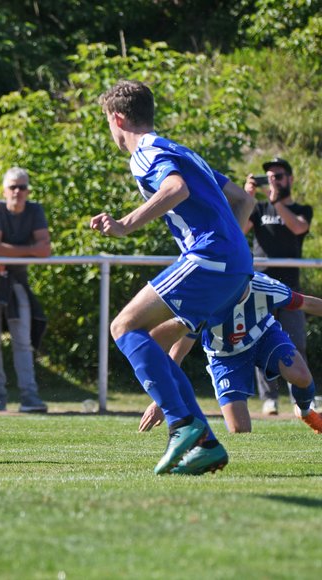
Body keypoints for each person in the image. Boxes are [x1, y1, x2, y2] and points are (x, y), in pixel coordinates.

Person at [90, 79, 255, 475]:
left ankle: (183, 423)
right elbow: (244, 199)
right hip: (234, 265)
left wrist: (126, 224)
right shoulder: (181, 150)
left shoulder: (144, 152)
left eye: (108, 122)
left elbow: (175, 189)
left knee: (124, 326)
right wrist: (231, 244)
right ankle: (204, 445)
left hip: (210, 258)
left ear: (118, 118)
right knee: (144, 335)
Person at [138, 272, 322, 434]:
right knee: (240, 430)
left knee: (301, 376)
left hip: (264, 336)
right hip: (224, 355)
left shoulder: (265, 286)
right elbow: (178, 353)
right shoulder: (206, 300)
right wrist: (162, 400)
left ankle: (305, 412)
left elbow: (306, 303)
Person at [0, 167, 51, 413]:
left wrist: (8, 253)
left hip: (18, 280)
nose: (17, 192)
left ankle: (29, 396)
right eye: (13, 187)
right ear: (4, 190)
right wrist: (29, 250)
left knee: (22, 338)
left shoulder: (35, 210)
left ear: (28, 191)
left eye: (22, 187)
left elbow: (45, 250)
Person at [243, 157, 312, 416]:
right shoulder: (258, 209)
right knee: (260, 342)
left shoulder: (302, 209)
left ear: (290, 179)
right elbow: (237, 231)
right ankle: (269, 399)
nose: (274, 181)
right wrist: (247, 199)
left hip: (291, 288)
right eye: (269, 177)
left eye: (279, 176)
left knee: (296, 343)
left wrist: (276, 203)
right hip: (260, 287)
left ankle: (301, 398)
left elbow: (298, 227)